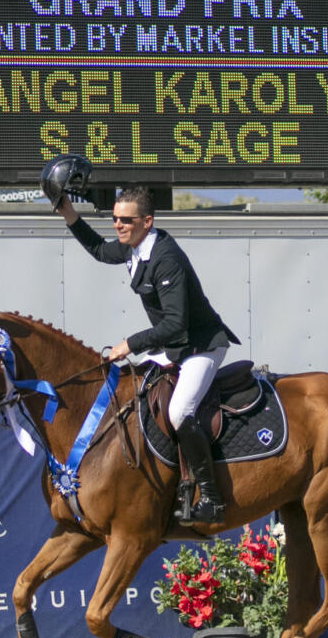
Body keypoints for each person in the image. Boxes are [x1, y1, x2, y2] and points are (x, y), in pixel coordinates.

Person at [47, 170, 238, 525]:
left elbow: (175, 324)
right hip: (173, 346)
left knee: (180, 411)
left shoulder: (166, 258)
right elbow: (100, 251)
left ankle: (210, 497)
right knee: (130, 390)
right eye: (116, 219)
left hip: (200, 346)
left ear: (147, 221)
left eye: (126, 221)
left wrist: (129, 344)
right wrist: (69, 213)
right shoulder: (136, 245)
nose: (118, 226)